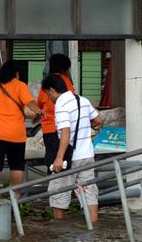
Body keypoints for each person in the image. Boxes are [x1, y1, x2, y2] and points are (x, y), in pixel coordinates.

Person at [0, 60, 44, 194]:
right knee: (16, 165)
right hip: (15, 134)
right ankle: (16, 195)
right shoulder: (20, 86)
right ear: (16, 73)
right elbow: (29, 101)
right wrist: (38, 111)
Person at [40, 74, 104, 222]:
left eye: (47, 94)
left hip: (70, 158)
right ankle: (93, 227)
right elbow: (99, 120)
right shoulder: (82, 100)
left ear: (51, 90)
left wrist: (59, 157)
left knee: (59, 193)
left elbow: (65, 132)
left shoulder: (61, 106)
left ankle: (59, 230)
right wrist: (86, 128)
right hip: (87, 155)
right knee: (89, 192)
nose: (48, 98)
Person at [36, 54, 75, 172]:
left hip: (48, 128)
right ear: (65, 68)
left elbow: (40, 103)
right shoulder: (66, 81)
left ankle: (54, 186)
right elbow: (72, 100)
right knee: (64, 161)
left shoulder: (47, 82)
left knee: (52, 162)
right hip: (64, 127)